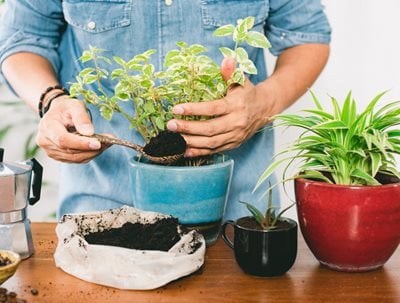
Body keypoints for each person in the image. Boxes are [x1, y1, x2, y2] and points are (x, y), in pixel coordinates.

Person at [0, 0, 331, 221]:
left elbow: (306, 35)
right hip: (102, 212)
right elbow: (22, 39)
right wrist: (52, 101)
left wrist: (264, 103)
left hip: (236, 215)